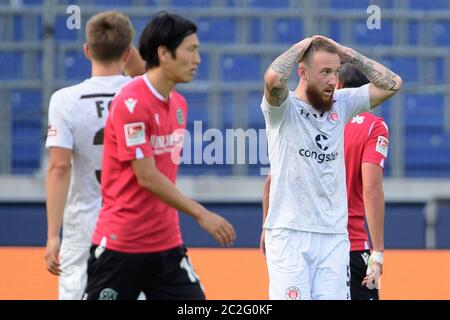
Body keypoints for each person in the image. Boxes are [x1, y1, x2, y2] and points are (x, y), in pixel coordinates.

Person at [83, 12, 236, 300]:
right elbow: (147, 177)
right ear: (164, 53)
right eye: (191, 50)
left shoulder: (178, 103)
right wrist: (201, 214)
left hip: (166, 246)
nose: (198, 59)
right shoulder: (131, 103)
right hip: (120, 246)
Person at [260, 35, 401, 300]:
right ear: (302, 73)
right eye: (325, 72)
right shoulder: (283, 109)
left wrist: (348, 54)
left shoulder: (342, 103)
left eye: (336, 73)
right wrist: (301, 47)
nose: (332, 81)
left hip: (334, 237)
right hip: (290, 234)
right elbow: (273, 79)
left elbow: (392, 84)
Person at [44, 11, 145, 300]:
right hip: (131, 220)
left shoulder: (65, 100)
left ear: (87, 50)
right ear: (127, 52)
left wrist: (53, 235)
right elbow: (145, 72)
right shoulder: (140, 92)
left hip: (83, 222)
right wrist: (125, 46)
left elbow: (59, 168)